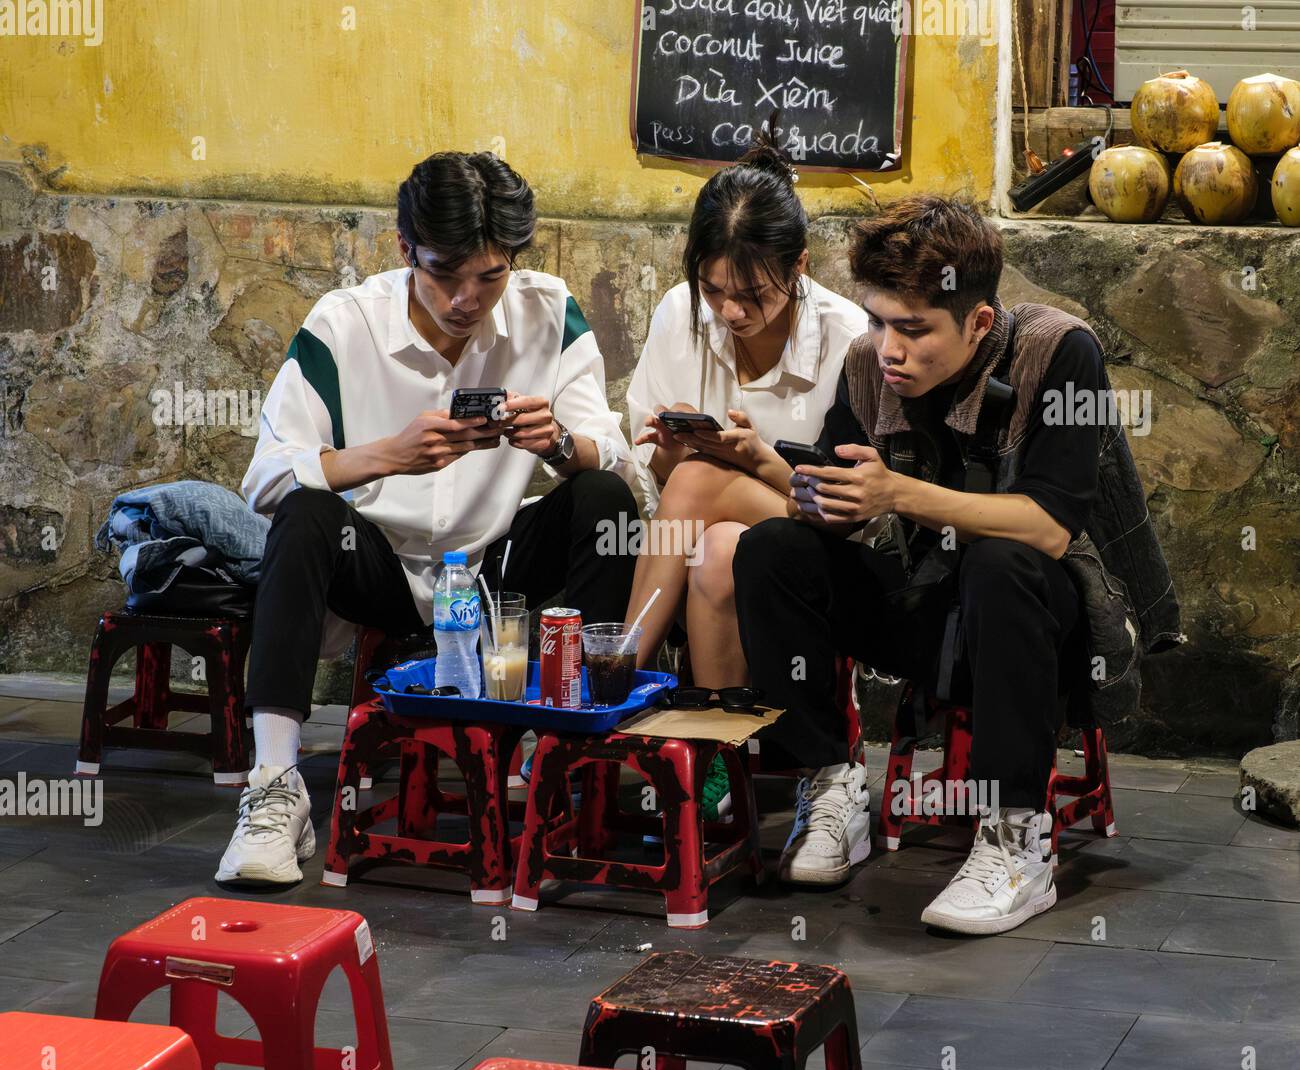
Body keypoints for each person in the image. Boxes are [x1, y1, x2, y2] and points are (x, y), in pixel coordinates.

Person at [735, 195, 1176, 930]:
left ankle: (1015, 839)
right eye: (877, 321)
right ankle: (834, 781)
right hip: (931, 605)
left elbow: (1048, 526)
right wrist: (824, 501)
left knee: (1001, 562)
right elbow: (853, 497)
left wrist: (897, 491)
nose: (889, 348)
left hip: (1054, 623)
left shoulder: (1061, 350)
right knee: (772, 548)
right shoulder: (868, 366)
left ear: (976, 322)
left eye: (914, 329)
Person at [218, 151, 637, 885]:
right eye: (444, 272)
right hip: (377, 560)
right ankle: (275, 788)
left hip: (495, 563)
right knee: (305, 510)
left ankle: (562, 744)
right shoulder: (344, 324)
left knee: (604, 499)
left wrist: (561, 445)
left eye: (490, 276)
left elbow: (618, 458)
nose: (466, 299)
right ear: (405, 246)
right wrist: (388, 455)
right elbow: (267, 475)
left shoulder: (548, 310)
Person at [622, 132, 867, 817]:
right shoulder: (683, 314)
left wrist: (728, 461)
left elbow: (854, 497)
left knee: (698, 484)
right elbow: (655, 473)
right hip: (717, 539)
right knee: (717, 550)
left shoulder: (849, 337)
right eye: (714, 290)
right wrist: (672, 447)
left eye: (752, 293)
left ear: (799, 267)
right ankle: (716, 754)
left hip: (820, 534)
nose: (730, 311)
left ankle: (621, 677)